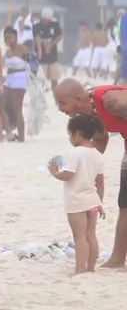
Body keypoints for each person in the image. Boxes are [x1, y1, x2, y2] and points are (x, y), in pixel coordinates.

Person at [53, 77, 127, 269]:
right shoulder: (92, 115)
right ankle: (118, 259)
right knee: (125, 203)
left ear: (78, 98)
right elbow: (100, 141)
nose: (59, 108)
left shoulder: (108, 100)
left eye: (62, 103)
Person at [47, 113, 106, 274]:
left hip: (76, 200)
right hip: (92, 199)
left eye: (69, 134)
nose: (69, 138)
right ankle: (91, 268)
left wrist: (54, 173)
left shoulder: (74, 153)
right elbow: (100, 182)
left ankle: (80, 269)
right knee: (91, 235)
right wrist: (99, 202)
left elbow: (68, 175)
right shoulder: (98, 154)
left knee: (79, 237)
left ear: (77, 133)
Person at [1, 26, 29, 142]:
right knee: (0, 105)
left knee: (17, 108)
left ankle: (22, 138)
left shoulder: (22, 49)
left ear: (16, 37)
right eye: (5, 37)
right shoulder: (7, 51)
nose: (8, 40)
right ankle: (8, 132)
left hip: (19, 78)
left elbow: (32, 64)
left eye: (10, 37)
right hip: (9, 78)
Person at [33, 7, 62, 89]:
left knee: (54, 77)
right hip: (41, 55)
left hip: (52, 54)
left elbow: (59, 36)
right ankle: (40, 93)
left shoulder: (54, 23)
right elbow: (37, 38)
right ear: (42, 17)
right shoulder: (36, 24)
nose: (47, 22)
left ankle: (55, 94)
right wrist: (40, 51)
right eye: (46, 20)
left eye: (49, 20)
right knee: (40, 76)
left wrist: (51, 45)